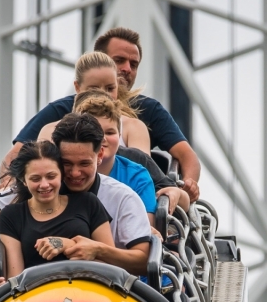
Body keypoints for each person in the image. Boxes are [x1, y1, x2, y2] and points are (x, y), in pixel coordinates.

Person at [2, 27, 202, 201]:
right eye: (119, 60)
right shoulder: (56, 116)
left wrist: (185, 189)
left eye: (133, 64)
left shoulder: (140, 121)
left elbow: (146, 173)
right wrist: (8, 191)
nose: (126, 68)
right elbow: (23, 158)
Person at [0, 113, 152, 293]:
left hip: (97, 293)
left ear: (99, 155)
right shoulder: (35, 189)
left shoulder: (117, 198)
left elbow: (143, 262)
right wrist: (17, 230)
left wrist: (95, 249)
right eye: (67, 163)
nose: (75, 173)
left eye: (84, 163)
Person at [0, 141, 114, 294]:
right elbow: (16, 281)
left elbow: (111, 266)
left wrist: (68, 245)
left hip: (91, 296)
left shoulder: (88, 203)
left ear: (61, 175)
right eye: (35, 179)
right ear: (24, 180)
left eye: (51, 176)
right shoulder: (11, 216)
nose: (44, 185)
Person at [56, 90, 190, 216]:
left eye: (110, 132)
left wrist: (176, 193)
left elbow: (177, 203)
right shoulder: (60, 168)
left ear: (119, 135)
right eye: (96, 132)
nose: (103, 138)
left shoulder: (136, 166)